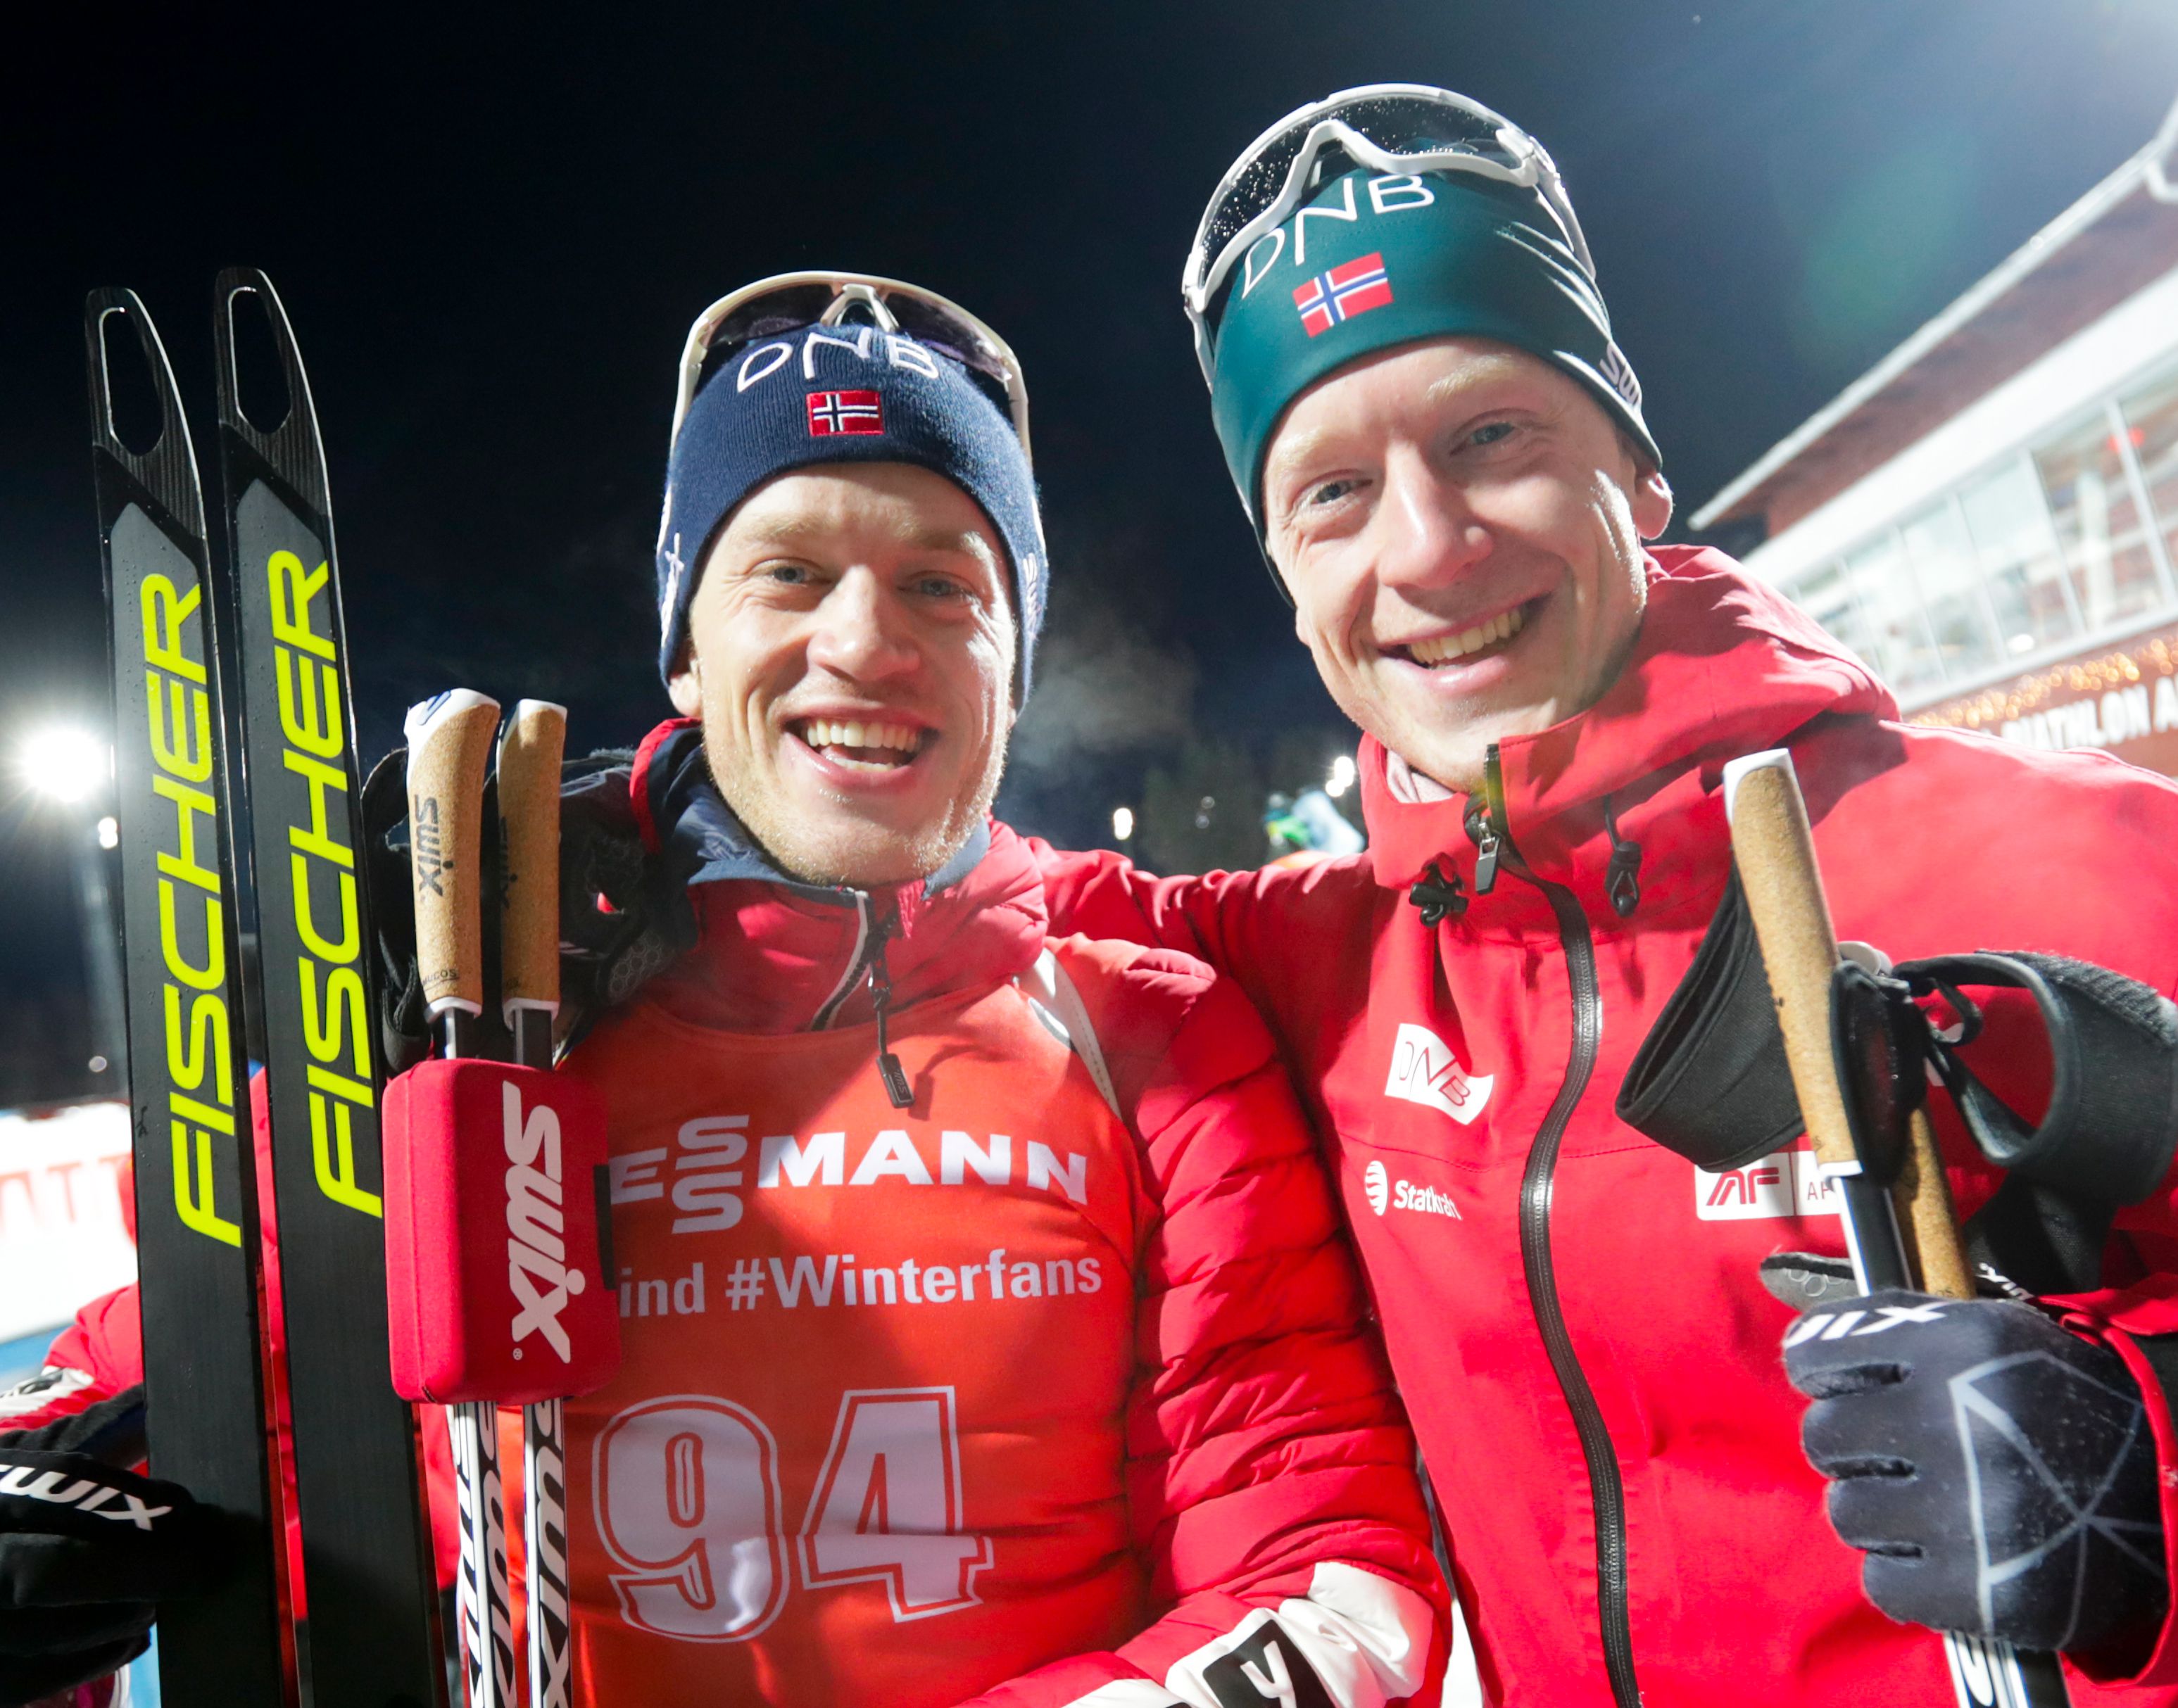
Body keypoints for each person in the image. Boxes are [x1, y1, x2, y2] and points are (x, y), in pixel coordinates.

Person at [1033, 86, 2178, 1706]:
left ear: (1635, 476)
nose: (1426, 546)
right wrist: (697, 795)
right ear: (1286, 580)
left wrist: (2144, 1468)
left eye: (1489, 436)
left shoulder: (2087, 862)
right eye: (1332, 492)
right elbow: (962, 898)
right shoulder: (1312, 954)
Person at [526, 274, 1443, 1706]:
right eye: (788, 573)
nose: (862, 644)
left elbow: (1324, 1570)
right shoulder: (496, 1027)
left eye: (941, 585)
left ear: (1013, 664)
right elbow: (240, 1424)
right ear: (687, 651)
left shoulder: (1151, 1040)